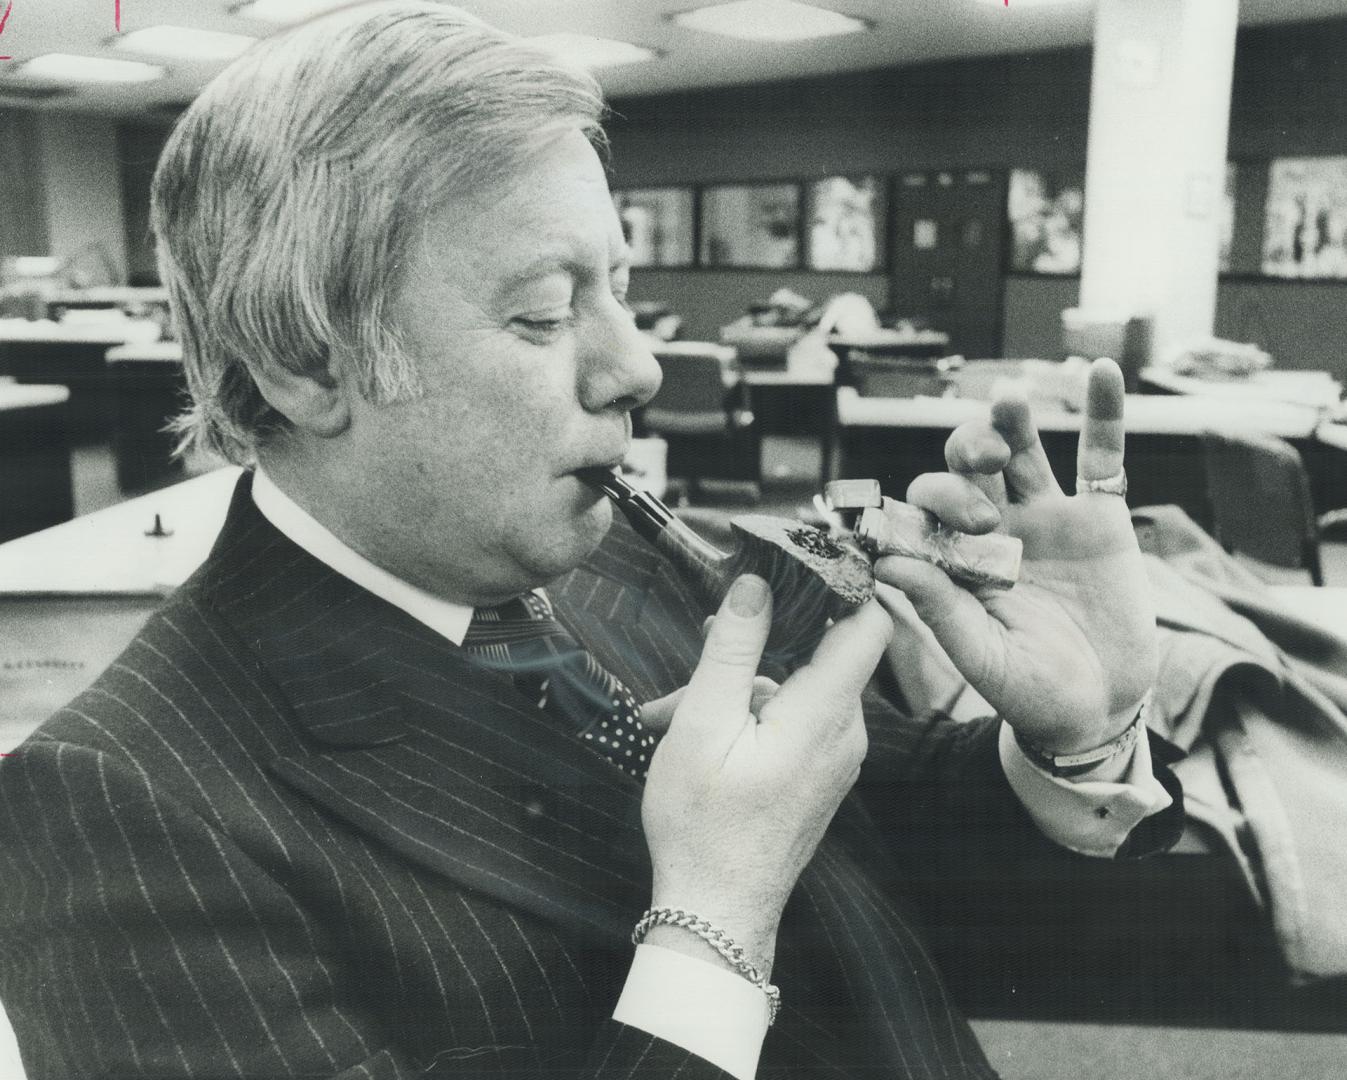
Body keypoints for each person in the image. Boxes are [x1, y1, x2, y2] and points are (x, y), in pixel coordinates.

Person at [0, 4, 1181, 1077]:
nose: (641, 367)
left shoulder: (624, 549)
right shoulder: (119, 813)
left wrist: (1073, 742)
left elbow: (854, 837)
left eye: (618, 286)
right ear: (306, 365)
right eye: (544, 312)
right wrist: (708, 923)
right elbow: (746, 875)